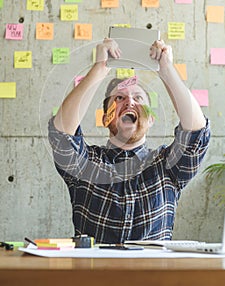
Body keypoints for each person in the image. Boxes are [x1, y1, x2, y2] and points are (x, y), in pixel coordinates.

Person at [48, 38, 210, 244]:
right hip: (93, 274)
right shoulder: (85, 164)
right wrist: (100, 68)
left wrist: (167, 70)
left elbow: (197, 132)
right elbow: (61, 133)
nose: (130, 101)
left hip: (153, 275)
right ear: (106, 117)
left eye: (138, 98)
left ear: (150, 119)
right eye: (119, 98)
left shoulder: (167, 165)